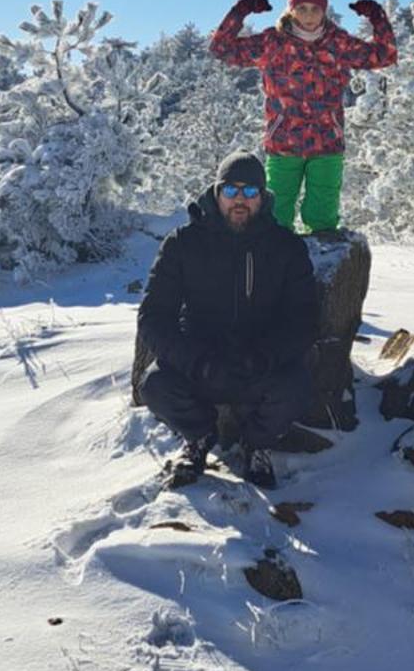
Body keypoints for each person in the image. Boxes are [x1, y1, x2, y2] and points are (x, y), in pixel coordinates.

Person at [131, 152, 319, 489]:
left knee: (297, 387)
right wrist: (197, 361)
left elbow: (303, 319)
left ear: (263, 197)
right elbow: (153, 317)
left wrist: (266, 356)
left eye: (250, 192)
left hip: (259, 365)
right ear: (216, 193)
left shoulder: (286, 248)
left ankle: (256, 443)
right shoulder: (183, 243)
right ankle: (200, 436)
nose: (240, 201)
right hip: (201, 362)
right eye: (231, 191)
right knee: (155, 385)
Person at [209, 0, 397, 235]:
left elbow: (384, 56)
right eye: (302, 7)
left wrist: (377, 17)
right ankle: (272, 269)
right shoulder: (273, 43)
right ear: (291, 8)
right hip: (284, 144)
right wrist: (242, 10)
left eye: (315, 8)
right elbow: (221, 48)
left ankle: (323, 272)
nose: (309, 15)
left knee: (322, 220)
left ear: (324, 9)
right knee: (274, 219)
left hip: (327, 145)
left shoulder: (338, 43)